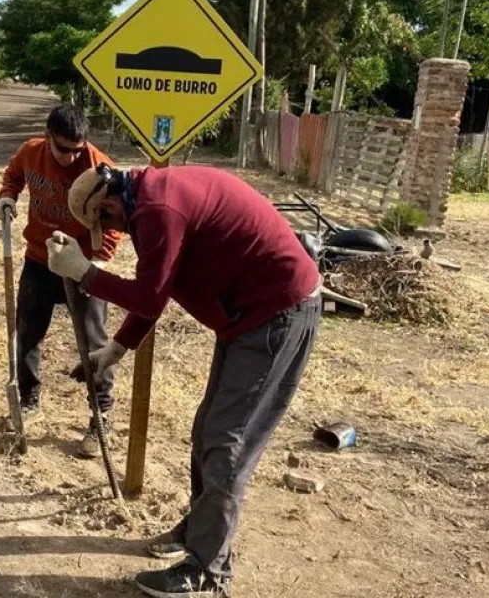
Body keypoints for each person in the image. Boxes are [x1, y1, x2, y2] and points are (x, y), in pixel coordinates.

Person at [46, 164, 322, 597]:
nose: (121, 232)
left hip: (275, 312)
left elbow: (149, 295)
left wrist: (85, 273)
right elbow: (159, 286)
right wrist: (118, 348)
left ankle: (207, 572)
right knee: (207, 431)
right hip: (250, 316)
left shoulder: (158, 209)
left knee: (225, 440)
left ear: (109, 204)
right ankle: (200, 530)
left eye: (112, 224)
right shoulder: (152, 200)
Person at [0, 104, 122, 459]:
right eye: (62, 148)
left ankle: (101, 416)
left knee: (93, 343)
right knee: (29, 332)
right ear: (47, 137)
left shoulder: (100, 169)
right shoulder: (31, 152)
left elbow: (113, 224)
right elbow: (14, 174)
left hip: (82, 268)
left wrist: (89, 259)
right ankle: (29, 399)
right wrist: (7, 197)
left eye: (76, 150)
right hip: (39, 259)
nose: (69, 157)